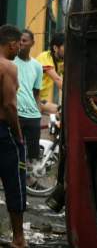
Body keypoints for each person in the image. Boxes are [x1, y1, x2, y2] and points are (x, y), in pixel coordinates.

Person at [0, 25, 27, 248]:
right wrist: (18, 135)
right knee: (14, 183)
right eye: (19, 43)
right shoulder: (8, 67)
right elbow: (9, 105)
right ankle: (18, 239)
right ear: (11, 44)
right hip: (2, 132)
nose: (20, 47)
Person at [14, 30, 43, 163]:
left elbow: (36, 92)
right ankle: (16, 180)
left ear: (32, 43)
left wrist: (38, 113)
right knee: (15, 150)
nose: (21, 43)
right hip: (15, 114)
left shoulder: (37, 66)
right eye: (19, 40)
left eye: (25, 41)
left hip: (33, 116)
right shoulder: (10, 62)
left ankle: (31, 181)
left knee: (33, 154)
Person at [37, 32, 64, 113]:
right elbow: (57, 79)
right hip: (27, 96)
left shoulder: (61, 61)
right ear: (55, 48)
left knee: (61, 110)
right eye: (65, 47)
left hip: (39, 99)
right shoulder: (45, 57)